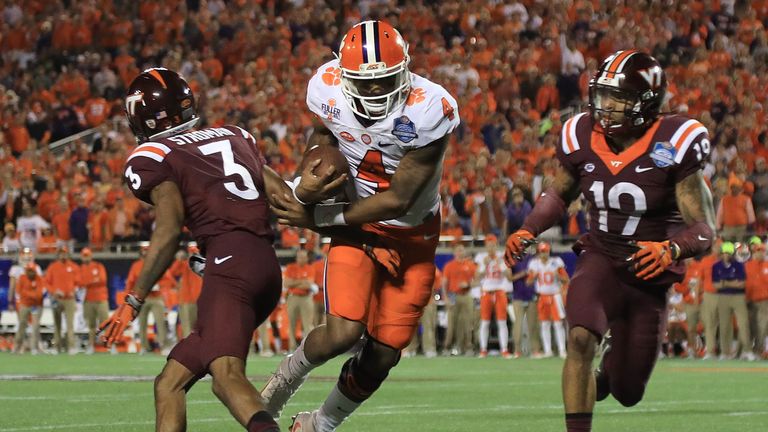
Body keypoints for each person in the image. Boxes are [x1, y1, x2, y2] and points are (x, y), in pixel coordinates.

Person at [97, 68, 395, 432]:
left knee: (226, 375)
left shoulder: (154, 154)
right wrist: (338, 214)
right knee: (169, 383)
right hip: (264, 266)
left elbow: (169, 229)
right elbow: (287, 199)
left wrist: (133, 300)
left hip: (230, 265)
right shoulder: (234, 135)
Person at [504, 51, 716, 432]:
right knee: (580, 339)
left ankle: (609, 370)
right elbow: (559, 193)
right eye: (603, 95)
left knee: (628, 391)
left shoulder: (676, 141)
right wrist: (529, 228)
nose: (607, 106)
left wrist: (671, 248)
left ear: (646, 102)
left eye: (619, 98)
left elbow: (703, 229)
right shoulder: (580, 133)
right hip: (600, 257)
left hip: (650, 273)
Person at [266, 20, 460, 431]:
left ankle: (320, 424)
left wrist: (317, 219)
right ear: (343, 74)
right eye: (363, 82)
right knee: (341, 331)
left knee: (385, 352)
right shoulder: (327, 87)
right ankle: (280, 385)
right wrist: (312, 174)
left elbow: (399, 198)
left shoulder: (429, 109)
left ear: (405, 71)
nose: (374, 90)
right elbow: (323, 135)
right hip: (357, 223)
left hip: (411, 233)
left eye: (385, 80)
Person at [126, 243, 174, 354]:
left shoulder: (157, 263)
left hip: (156, 297)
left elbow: (167, 278)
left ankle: (163, 345)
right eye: (144, 250)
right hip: (141, 298)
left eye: (147, 250)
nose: (145, 252)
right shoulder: (136, 265)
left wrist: (160, 285)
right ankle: (144, 346)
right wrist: (130, 296)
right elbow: (130, 282)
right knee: (142, 323)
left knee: (160, 322)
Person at [711, 242, 754, 360]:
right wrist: (732, 283)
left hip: (738, 297)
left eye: (729, 253)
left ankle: (747, 351)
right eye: (725, 253)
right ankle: (725, 352)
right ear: (721, 253)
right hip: (723, 297)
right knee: (724, 325)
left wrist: (725, 283)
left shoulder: (739, 265)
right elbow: (716, 285)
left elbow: (742, 284)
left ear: (733, 254)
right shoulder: (716, 266)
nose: (726, 255)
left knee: (743, 323)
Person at [526, 242, 569, 359]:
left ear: (548, 251)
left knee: (558, 324)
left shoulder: (556, 262)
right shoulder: (534, 264)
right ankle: (548, 350)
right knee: (545, 324)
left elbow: (566, 280)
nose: (543, 254)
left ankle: (562, 350)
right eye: (542, 251)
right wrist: (533, 276)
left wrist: (558, 276)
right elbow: (528, 282)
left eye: (545, 251)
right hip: (542, 296)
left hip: (555, 296)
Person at [475, 234, 512, 358]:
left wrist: (500, 264)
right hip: (486, 292)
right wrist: (484, 266)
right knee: (485, 322)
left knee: (502, 321)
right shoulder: (481, 258)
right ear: (486, 246)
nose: (490, 248)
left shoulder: (502, 257)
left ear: (496, 246)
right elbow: (476, 277)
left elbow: (509, 276)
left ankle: (504, 349)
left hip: (499, 291)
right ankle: (483, 349)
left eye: (492, 245)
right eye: (488, 245)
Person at [441, 244, 476, 356]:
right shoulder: (449, 266)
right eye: (458, 250)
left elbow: (477, 280)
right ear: (454, 253)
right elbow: (444, 283)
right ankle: (447, 347)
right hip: (453, 296)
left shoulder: (470, 265)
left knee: (468, 323)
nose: (460, 252)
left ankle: (468, 347)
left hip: (466, 295)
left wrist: (468, 284)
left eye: (462, 250)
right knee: (451, 323)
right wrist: (445, 297)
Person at [45, 246, 80, 354]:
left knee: (70, 324)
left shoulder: (74, 267)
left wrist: (74, 290)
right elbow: (46, 282)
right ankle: (57, 347)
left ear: (67, 254)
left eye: (64, 253)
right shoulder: (53, 267)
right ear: (58, 255)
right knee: (57, 324)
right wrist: (54, 291)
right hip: (57, 299)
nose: (63, 255)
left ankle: (71, 347)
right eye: (61, 253)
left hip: (69, 299)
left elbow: (78, 282)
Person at [284, 249, 317, 352]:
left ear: (307, 258)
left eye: (303, 257)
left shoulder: (310, 268)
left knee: (308, 324)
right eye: (300, 257)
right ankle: (292, 348)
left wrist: (294, 282)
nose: (302, 259)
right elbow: (286, 284)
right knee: (292, 324)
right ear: (296, 258)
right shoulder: (290, 267)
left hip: (306, 298)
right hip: (293, 297)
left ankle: (308, 349)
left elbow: (308, 284)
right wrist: (302, 282)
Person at [169, 242, 203, 338]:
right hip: (187, 300)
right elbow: (172, 273)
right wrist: (179, 260)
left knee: (201, 328)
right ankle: (190, 351)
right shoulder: (184, 264)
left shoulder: (205, 264)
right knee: (188, 329)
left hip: (202, 300)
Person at [79, 247, 108, 354]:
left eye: (87, 255)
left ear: (91, 256)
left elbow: (102, 279)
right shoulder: (80, 268)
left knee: (105, 324)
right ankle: (91, 346)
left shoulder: (98, 266)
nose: (86, 258)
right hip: (88, 300)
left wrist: (88, 282)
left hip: (101, 299)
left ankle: (110, 346)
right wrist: (93, 280)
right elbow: (80, 283)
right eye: (84, 256)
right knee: (91, 325)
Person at [12, 262, 46, 354]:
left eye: (32, 271)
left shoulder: (39, 279)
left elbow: (40, 294)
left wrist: (28, 294)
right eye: (29, 271)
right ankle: (16, 347)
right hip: (25, 304)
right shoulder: (22, 278)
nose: (30, 273)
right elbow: (19, 291)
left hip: (37, 305)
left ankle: (34, 348)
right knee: (22, 325)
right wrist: (32, 295)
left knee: (35, 326)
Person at [745, 243, 768, 358]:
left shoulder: (767, 265)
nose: (760, 253)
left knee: (762, 326)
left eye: (762, 251)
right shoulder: (748, 266)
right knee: (752, 327)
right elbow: (746, 285)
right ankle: (752, 351)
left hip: (765, 302)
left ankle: (759, 351)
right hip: (750, 302)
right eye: (758, 251)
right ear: (754, 253)